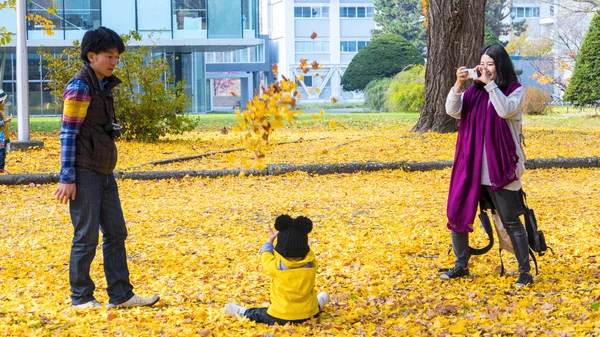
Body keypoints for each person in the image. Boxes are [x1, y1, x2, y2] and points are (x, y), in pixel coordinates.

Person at [54, 27, 159, 309]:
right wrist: (67, 177)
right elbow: (67, 133)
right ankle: (82, 297)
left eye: (117, 57)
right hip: (84, 171)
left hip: (103, 170)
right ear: (91, 56)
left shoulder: (102, 85)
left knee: (116, 232)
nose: (114, 62)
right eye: (109, 56)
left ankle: (121, 295)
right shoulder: (80, 87)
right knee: (86, 236)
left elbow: (92, 127)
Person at [441, 44, 533, 287]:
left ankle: (525, 271)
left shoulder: (514, 91)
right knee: (457, 212)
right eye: (482, 63)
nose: (484, 68)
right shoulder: (473, 93)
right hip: (470, 167)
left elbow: (504, 111)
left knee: (511, 220)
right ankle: (461, 265)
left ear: (500, 66)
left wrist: (490, 84)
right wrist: (459, 85)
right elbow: (452, 111)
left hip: (501, 169)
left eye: (490, 63)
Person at [224, 215, 330, 325]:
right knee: (316, 302)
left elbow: (265, 253)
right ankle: (321, 300)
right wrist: (300, 239)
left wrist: (270, 240)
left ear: (280, 249)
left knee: (259, 314)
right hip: (309, 314)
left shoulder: (276, 266)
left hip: (282, 316)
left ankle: (241, 311)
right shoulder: (312, 263)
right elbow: (308, 251)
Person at [0, 89, 12, 174]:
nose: (5, 103)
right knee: (1, 153)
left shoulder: (1, 112)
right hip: (1, 137)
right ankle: (0, 168)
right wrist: (5, 121)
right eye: (4, 101)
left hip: (3, 136)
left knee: (3, 152)